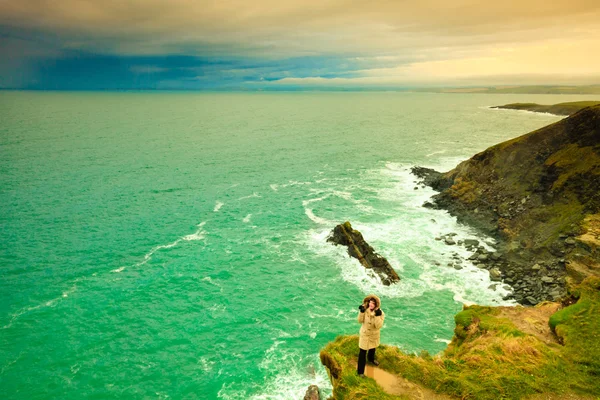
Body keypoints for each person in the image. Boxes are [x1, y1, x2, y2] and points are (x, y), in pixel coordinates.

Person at [357, 294, 384, 376]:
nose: (371, 305)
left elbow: (378, 326)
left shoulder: (381, 313)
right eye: (370, 302)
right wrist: (361, 312)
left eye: (373, 303)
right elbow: (359, 320)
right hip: (365, 334)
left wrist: (377, 316)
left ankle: (371, 360)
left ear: (376, 305)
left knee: (372, 348)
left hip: (374, 335)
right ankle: (360, 372)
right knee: (362, 353)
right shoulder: (364, 310)